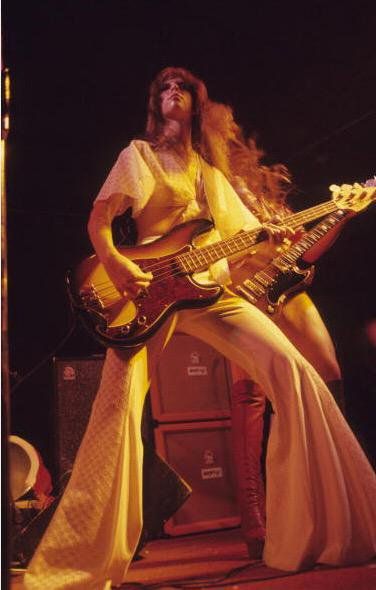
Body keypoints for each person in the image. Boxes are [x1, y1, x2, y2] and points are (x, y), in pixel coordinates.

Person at [24, 67, 376, 590]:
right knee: (114, 417)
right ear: (154, 104)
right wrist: (118, 265)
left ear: (195, 103)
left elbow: (251, 244)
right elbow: (99, 221)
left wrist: (296, 228)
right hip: (145, 296)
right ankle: (77, 564)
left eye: (181, 87)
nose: (171, 93)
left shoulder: (211, 175)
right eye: (163, 88)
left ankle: (319, 532)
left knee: (294, 371)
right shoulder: (138, 157)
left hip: (210, 295)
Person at [213, 106, 347, 558]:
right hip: (241, 299)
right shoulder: (209, 193)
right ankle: (256, 525)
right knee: (250, 401)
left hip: (287, 293)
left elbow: (304, 256)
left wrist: (341, 216)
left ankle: (338, 492)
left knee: (329, 375)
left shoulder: (266, 193)